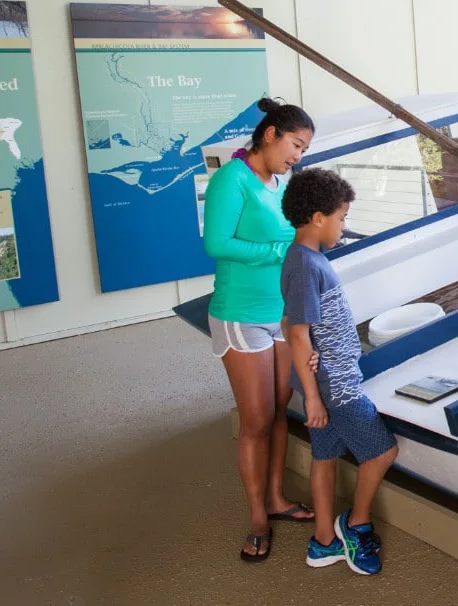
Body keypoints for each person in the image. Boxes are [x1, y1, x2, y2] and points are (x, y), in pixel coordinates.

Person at [202, 98, 317, 562]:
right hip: (240, 312)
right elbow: (216, 243)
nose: (298, 156)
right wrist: (279, 248)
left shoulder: (279, 182)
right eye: (295, 144)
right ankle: (256, 516)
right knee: (254, 419)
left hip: (281, 312)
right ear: (269, 135)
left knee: (278, 411)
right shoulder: (230, 180)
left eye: (305, 149)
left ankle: (276, 498)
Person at [280, 168, 400, 576]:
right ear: (318, 218)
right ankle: (355, 524)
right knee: (383, 451)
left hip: (327, 379)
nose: (344, 227)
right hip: (336, 386)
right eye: (342, 217)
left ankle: (323, 543)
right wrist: (313, 396)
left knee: (325, 456)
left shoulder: (307, 260)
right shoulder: (305, 264)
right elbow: (297, 333)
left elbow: (289, 322)